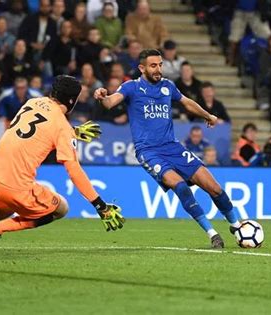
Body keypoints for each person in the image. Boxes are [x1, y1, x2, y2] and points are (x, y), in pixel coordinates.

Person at [0, 75, 123, 253]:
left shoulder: (32, 103)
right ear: (72, 101)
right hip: (14, 185)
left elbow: (36, 130)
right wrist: (100, 206)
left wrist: (72, 132)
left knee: (1, 211)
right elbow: (73, 169)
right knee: (61, 208)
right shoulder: (61, 126)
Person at [94, 49, 241, 248]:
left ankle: (236, 225)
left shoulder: (167, 86)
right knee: (181, 187)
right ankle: (212, 234)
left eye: (160, 64)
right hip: (149, 152)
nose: (158, 69)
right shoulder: (132, 87)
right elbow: (111, 102)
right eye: (153, 65)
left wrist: (208, 115)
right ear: (142, 68)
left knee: (214, 187)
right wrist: (103, 96)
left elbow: (187, 103)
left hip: (173, 147)